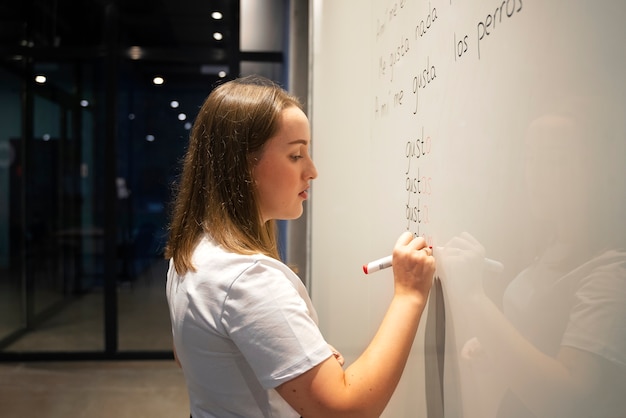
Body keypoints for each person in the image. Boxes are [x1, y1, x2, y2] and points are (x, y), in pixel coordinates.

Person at [164, 75, 436, 418]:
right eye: (296, 155)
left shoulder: (192, 254)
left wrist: (293, 356)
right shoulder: (247, 280)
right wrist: (409, 296)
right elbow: (346, 411)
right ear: (243, 166)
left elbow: (187, 353)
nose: (312, 171)